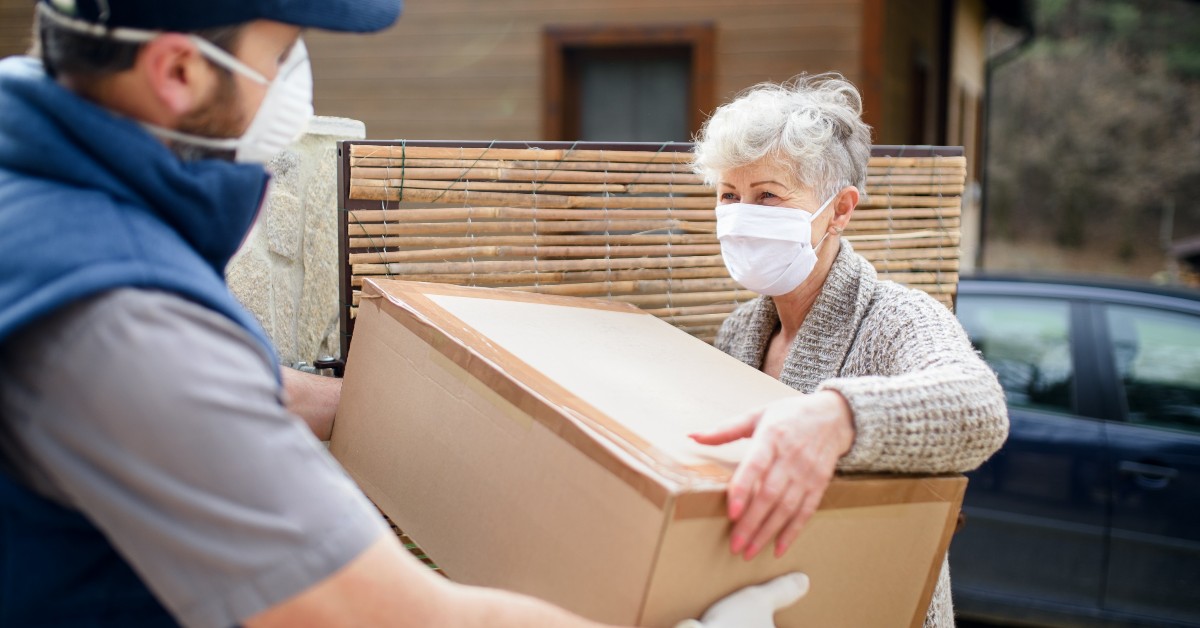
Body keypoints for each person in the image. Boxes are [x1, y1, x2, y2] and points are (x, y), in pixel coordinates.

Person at [0, 1, 804, 626]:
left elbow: (211, 395)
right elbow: (388, 615)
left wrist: (412, 406)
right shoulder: (124, 315)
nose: (291, 79)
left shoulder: (41, 203)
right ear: (178, 70)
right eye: (279, 53)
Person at [687, 74, 1010, 627]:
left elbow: (979, 408)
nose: (741, 216)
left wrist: (839, 418)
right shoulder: (739, 332)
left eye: (768, 195)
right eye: (728, 196)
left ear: (839, 211)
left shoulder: (897, 318)